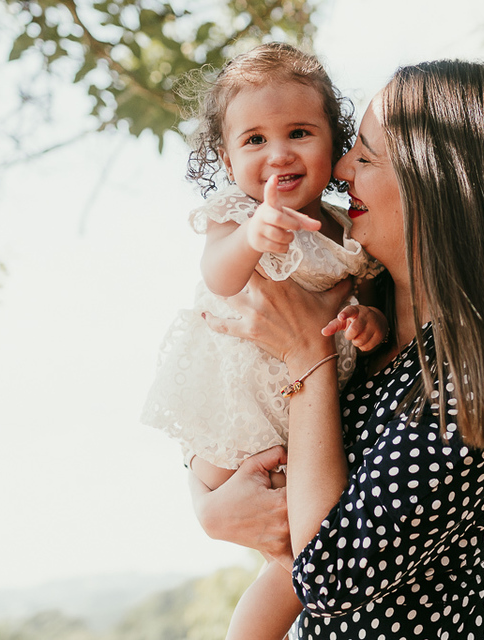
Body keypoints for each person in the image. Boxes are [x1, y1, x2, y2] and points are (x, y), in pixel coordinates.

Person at [197, 59, 484, 638]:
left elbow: (330, 576)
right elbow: (231, 396)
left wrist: (309, 358)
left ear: (435, 186)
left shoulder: (470, 377)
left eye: (367, 157)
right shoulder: (365, 319)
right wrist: (208, 505)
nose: (343, 167)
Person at [140, 43, 388, 640]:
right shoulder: (234, 215)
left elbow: (371, 306)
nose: (278, 154)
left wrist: (368, 325)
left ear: (335, 143)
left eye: (299, 132)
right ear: (227, 160)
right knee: (278, 545)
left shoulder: (352, 230)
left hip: (301, 422)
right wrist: (253, 236)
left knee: (293, 566)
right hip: (233, 410)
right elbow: (219, 277)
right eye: (254, 140)